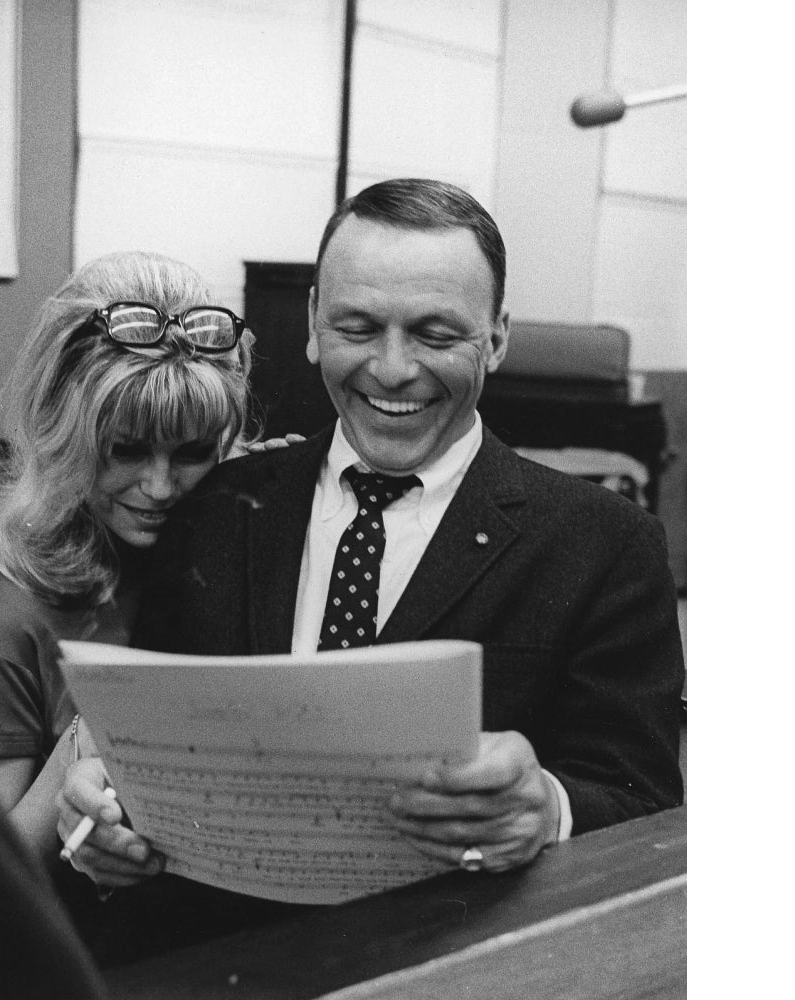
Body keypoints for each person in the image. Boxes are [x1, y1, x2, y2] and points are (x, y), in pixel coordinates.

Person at [61, 179, 683, 897]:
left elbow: (645, 808)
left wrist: (549, 808)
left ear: (498, 338)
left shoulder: (606, 546)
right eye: (357, 328)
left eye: (435, 334)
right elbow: (143, 754)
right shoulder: (213, 507)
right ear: (312, 323)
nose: (392, 369)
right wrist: (99, 816)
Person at [0, 250, 259, 881]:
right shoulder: (7, 623)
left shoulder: (222, 553)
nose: (160, 487)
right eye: (126, 451)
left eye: (192, 452)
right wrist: (95, 736)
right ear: (64, 436)